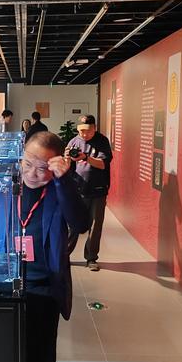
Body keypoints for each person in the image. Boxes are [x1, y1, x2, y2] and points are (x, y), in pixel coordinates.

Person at [19, 132, 88, 362]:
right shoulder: (5, 182)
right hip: (7, 285)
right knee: (5, 351)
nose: (32, 174)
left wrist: (63, 180)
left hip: (44, 287)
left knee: (41, 356)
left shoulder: (63, 186)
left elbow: (80, 223)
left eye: (42, 168)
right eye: (27, 163)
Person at [65, 115, 113, 271]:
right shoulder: (73, 142)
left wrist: (85, 157)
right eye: (81, 131)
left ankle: (91, 258)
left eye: (88, 131)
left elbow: (102, 164)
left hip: (98, 190)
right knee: (72, 224)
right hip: (78, 189)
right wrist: (67, 158)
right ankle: (63, 255)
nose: (84, 134)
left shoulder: (102, 141)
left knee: (95, 225)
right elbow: (67, 167)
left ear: (95, 128)